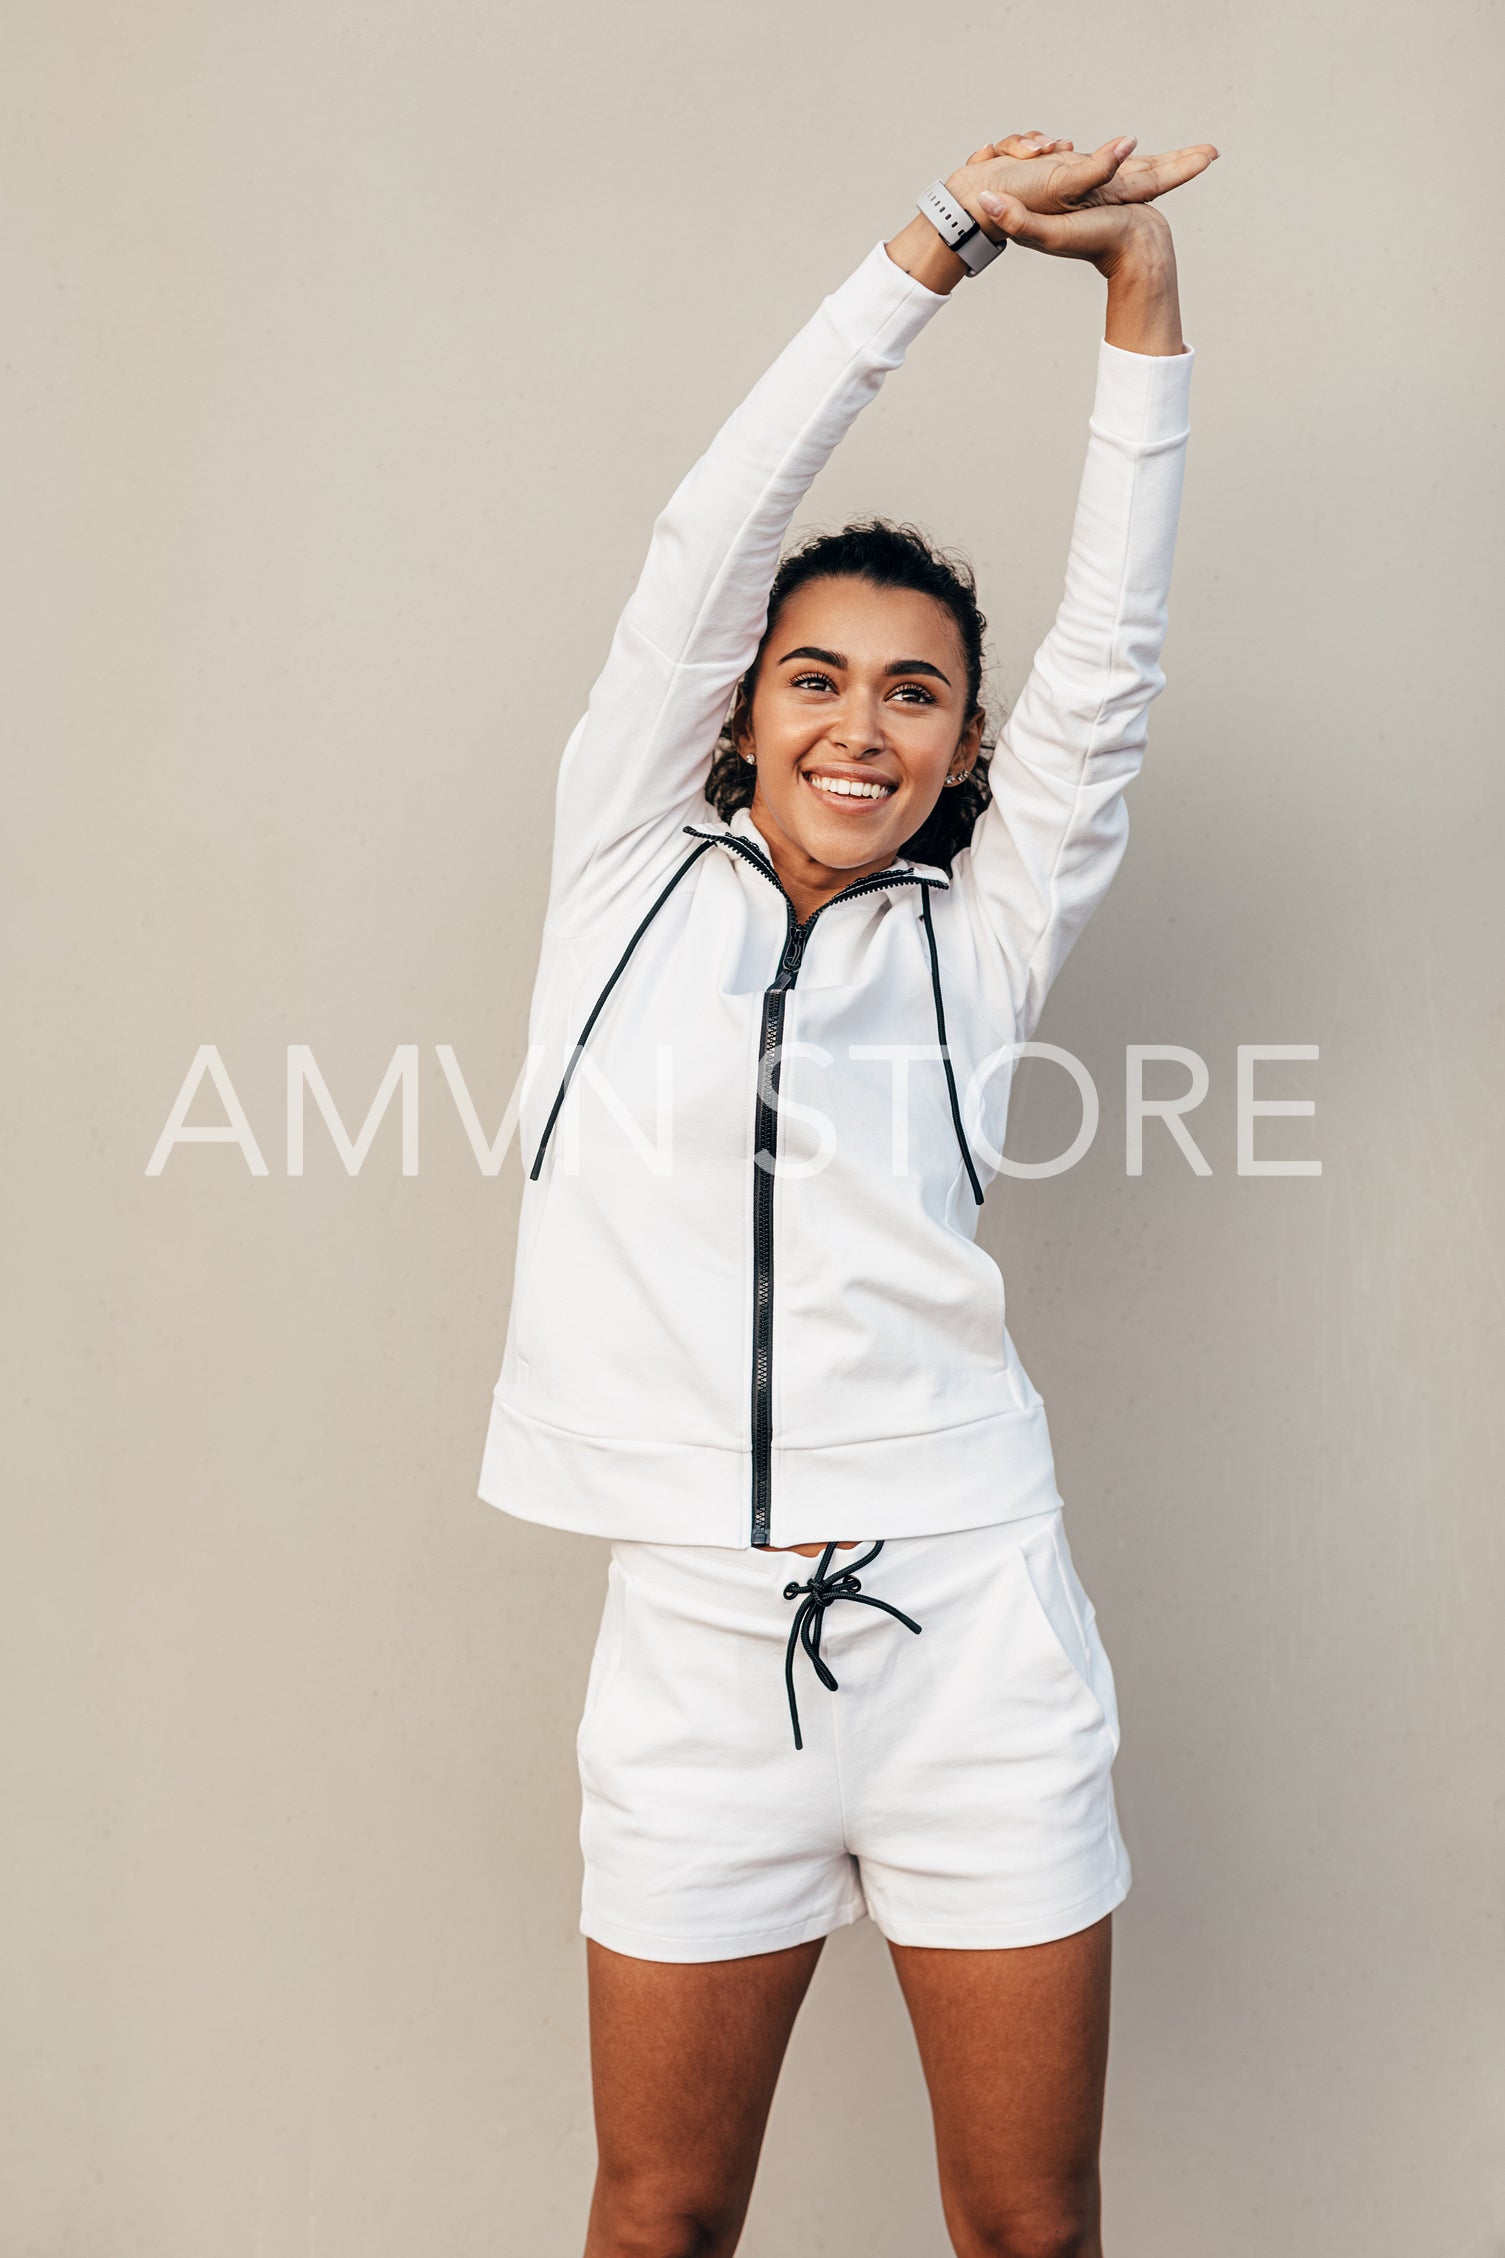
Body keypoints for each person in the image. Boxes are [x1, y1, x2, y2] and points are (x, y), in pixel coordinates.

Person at [477, 123, 1217, 2258]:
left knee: (1031, 2230)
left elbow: (1118, 662)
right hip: (704, 1652)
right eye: (817, 677)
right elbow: (714, 532)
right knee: (658, 2217)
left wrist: (1141, 300)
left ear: (967, 749)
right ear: (740, 710)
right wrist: (936, 246)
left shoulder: (978, 941)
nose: (861, 725)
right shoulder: (621, 858)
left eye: (915, 694)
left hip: (974, 1628)